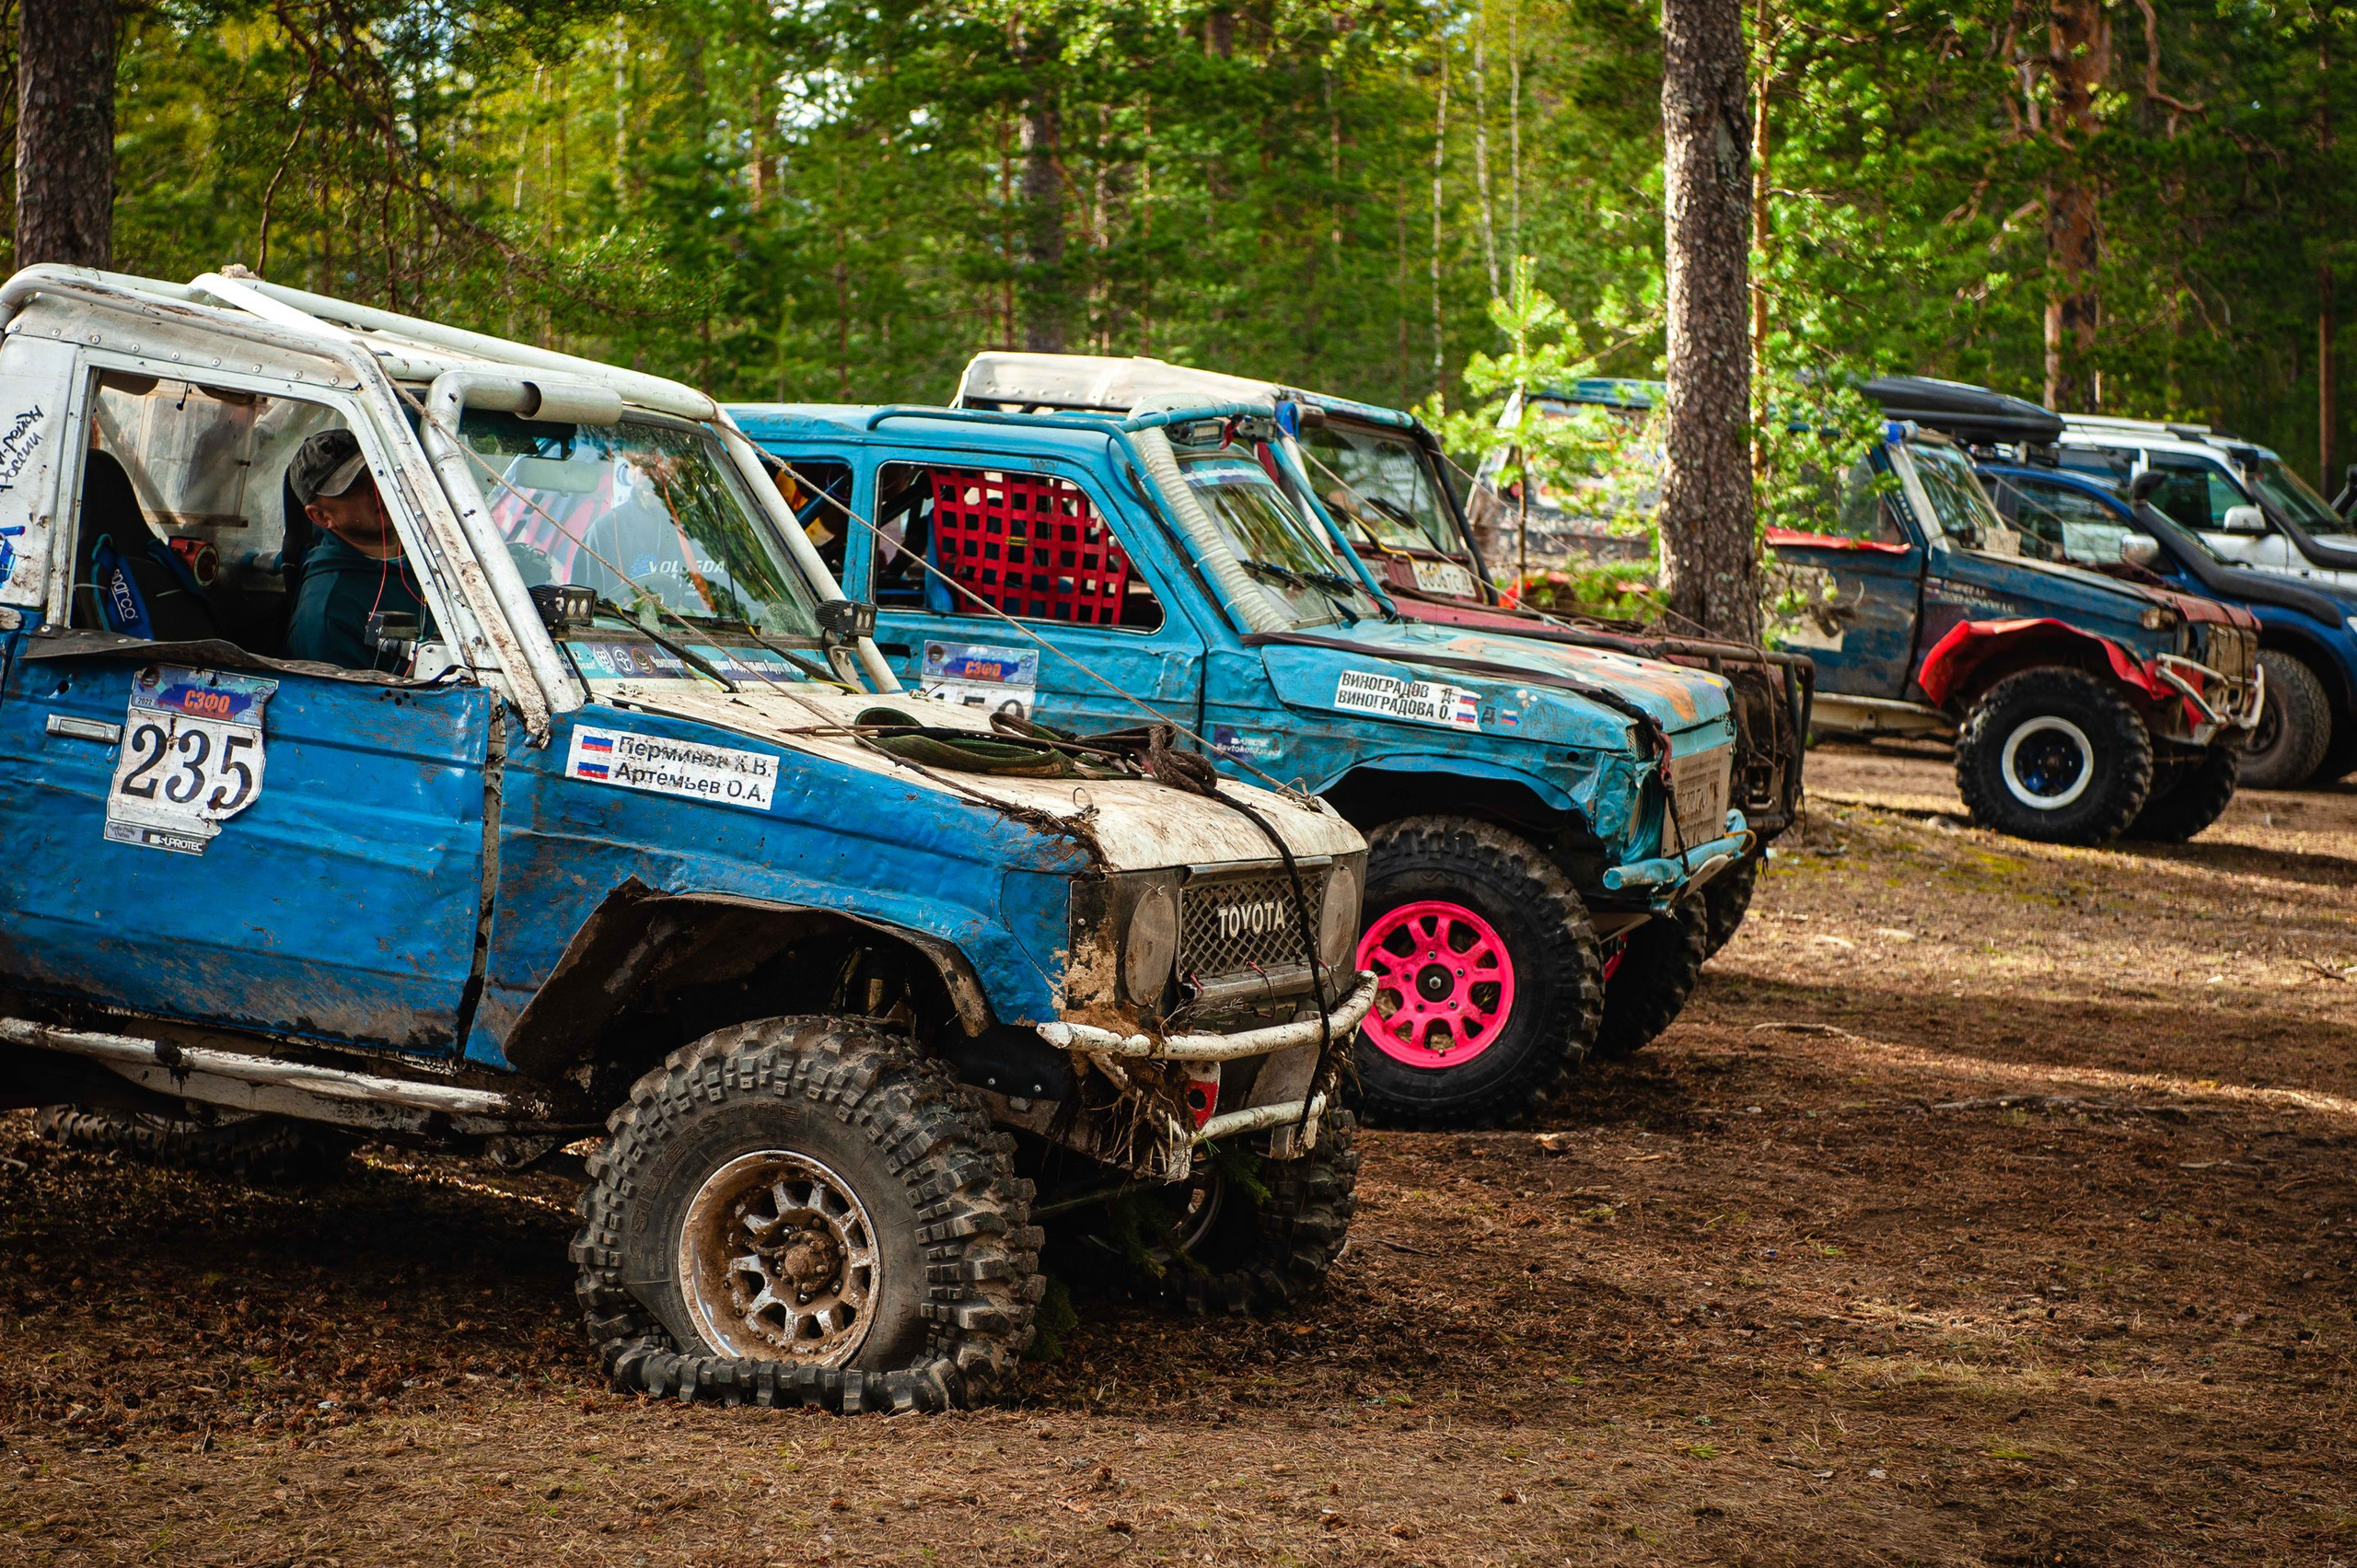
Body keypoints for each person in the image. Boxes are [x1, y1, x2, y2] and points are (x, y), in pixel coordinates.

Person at [284, 428, 430, 669]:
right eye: (352, 486)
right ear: (321, 516)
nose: (375, 489)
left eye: (375, 471)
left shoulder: (439, 552)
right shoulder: (329, 613)